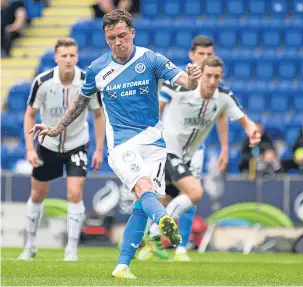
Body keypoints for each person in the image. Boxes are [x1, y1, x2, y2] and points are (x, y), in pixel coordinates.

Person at [29, 9, 202, 279]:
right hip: (121, 144)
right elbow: (80, 103)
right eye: (111, 38)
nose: (117, 42)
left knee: (140, 204)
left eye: (122, 35)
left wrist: (192, 77)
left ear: (132, 33)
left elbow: (186, 83)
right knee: (144, 187)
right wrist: (56, 128)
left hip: (155, 143)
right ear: (106, 38)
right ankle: (163, 220)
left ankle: (122, 266)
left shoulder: (151, 59)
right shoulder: (98, 69)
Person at [143, 55, 261, 261]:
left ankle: (145, 239)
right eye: (209, 76)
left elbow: (245, 120)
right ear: (202, 75)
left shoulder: (223, 97)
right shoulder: (179, 89)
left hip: (187, 157)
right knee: (195, 193)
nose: (212, 81)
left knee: (166, 200)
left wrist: (252, 131)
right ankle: (154, 234)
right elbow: (156, 110)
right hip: (167, 151)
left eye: (217, 77)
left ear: (221, 77)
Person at [139, 35, 230, 262]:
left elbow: (222, 116)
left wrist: (225, 147)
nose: (205, 58)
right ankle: (153, 241)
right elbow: (159, 107)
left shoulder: (216, 85)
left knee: (192, 194)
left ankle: (181, 247)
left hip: (195, 150)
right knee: (163, 196)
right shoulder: (178, 80)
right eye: (201, 54)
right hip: (169, 146)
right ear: (192, 55)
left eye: (209, 54)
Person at [17, 38, 105, 261]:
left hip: (78, 144)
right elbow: (29, 114)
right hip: (47, 145)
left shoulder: (88, 81)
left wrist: (98, 149)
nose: (68, 60)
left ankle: (71, 249)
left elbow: (98, 114)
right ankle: (30, 246)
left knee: (75, 194)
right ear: (56, 58)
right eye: (64, 56)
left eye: (72, 55)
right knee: (37, 195)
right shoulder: (43, 82)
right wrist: (29, 149)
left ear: (77, 57)